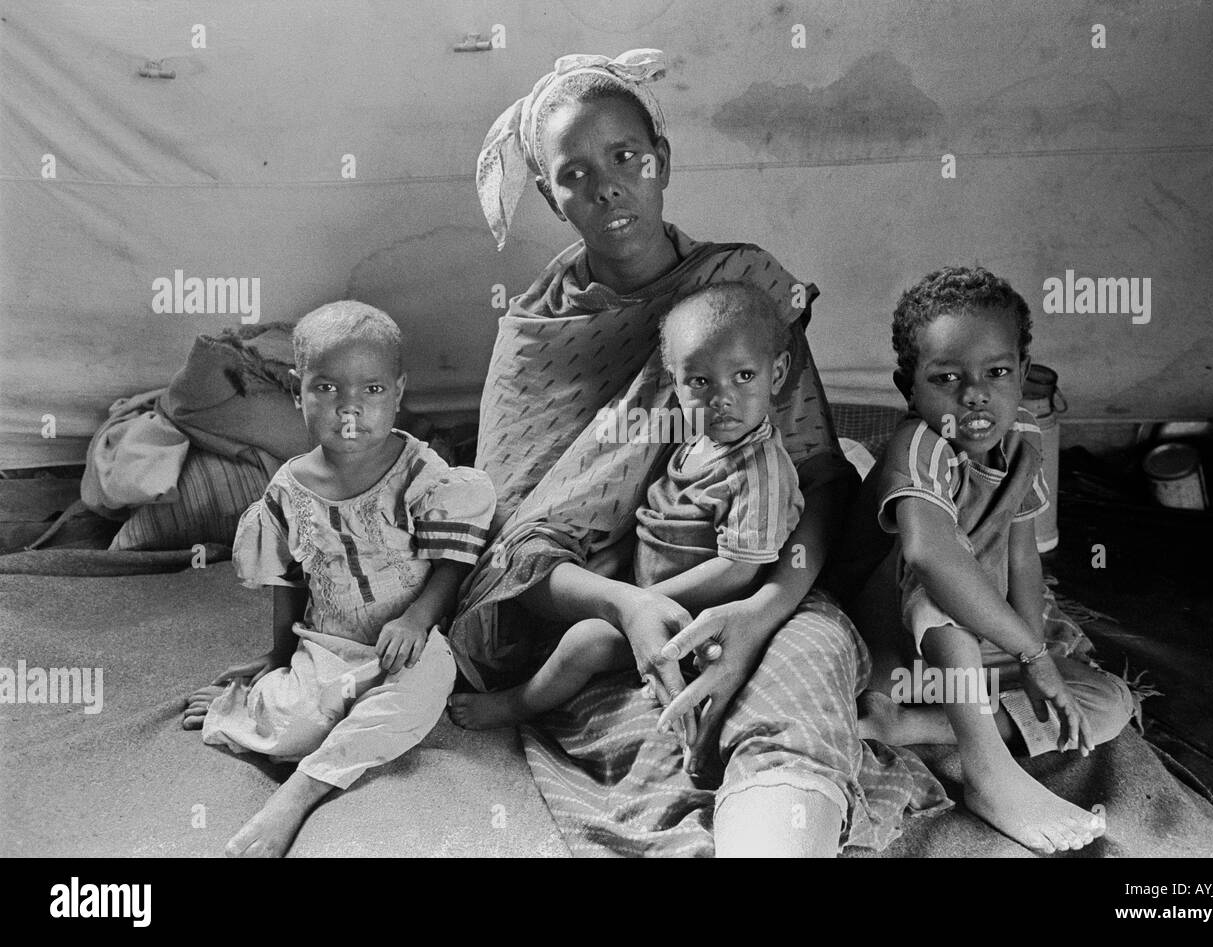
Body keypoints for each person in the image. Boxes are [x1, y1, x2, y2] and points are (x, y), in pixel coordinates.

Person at [453, 49, 949, 857]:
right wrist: (628, 607)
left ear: (663, 160)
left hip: (750, 576)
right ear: (550, 195)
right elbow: (512, 557)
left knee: (809, 651)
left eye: (625, 157)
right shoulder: (535, 336)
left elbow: (820, 476)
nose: (607, 185)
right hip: (593, 614)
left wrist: (759, 612)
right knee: (667, 702)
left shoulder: (739, 290)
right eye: (574, 174)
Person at [182, 300, 495, 857]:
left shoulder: (422, 474)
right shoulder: (287, 490)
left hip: (410, 644)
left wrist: (418, 618)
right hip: (328, 646)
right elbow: (288, 580)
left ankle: (301, 792)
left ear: (398, 392)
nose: (349, 410)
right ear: (297, 390)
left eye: (371, 390)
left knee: (425, 685)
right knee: (288, 728)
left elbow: (452, 561)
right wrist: (277, 658)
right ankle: (253, 706)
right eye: (327, 389)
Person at [844, 265, 1133, 854]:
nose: (974, 394)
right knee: (941, 582)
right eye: (946, 377)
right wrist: (1026, 651)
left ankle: (914, 728)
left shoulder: (1022, 436)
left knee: (1108, 705)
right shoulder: (919, 446)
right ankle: (988, 772)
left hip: (972, 664)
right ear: (909, 388)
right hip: (894, 643)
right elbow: (930, 558)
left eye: (997, 373)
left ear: (1022, 374)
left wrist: (1039, 656)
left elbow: (1024, 561)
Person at [447, 282, 802, 732]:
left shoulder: (760, 470)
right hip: (648, 585)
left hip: (695, 618)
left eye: (744, 376)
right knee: (550, 577)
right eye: (700, 381)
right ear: (674, 383)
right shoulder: (698, 439)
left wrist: (645, 604)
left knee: (584, 642)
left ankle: (517, 706)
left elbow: (738, 570)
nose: (722, 398)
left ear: (778, 372)